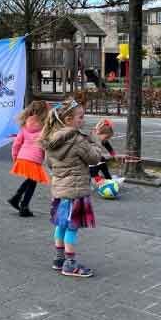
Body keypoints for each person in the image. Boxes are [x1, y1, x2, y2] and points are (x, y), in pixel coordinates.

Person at [41, 99, 106, 278]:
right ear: (68, 119)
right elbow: (94, 158)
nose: (82, 120)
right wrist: (96, 140)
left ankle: (59, 258)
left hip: (60, 190)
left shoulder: (51, 139)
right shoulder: (77, 140)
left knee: (61, 225)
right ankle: (70, 264)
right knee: (71, 227)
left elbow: (49, 164)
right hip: (75, 191)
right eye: (80, 117)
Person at [8, 100, 50, 218]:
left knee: (31, 180)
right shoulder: (45, 127)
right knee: (32, 183)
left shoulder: (25, 125)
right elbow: (46, 145)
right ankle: (23, 205)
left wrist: (15, 157)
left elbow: (16, 143)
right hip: (34, 159)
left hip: (22, 156)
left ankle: (17, 198)